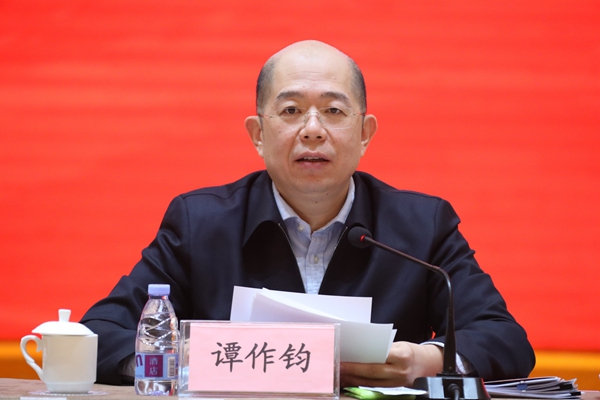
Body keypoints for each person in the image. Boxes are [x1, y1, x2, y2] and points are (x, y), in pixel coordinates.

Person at [81, 40, 535, 387]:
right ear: (258, 134)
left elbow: (505, 339)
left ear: (365, 132)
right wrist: (189, 358)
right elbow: (98, 334)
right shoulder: (200, 223)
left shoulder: (422, 225)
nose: (313, 130)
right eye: (291, 110)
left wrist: (427, 361)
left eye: (333, 110)